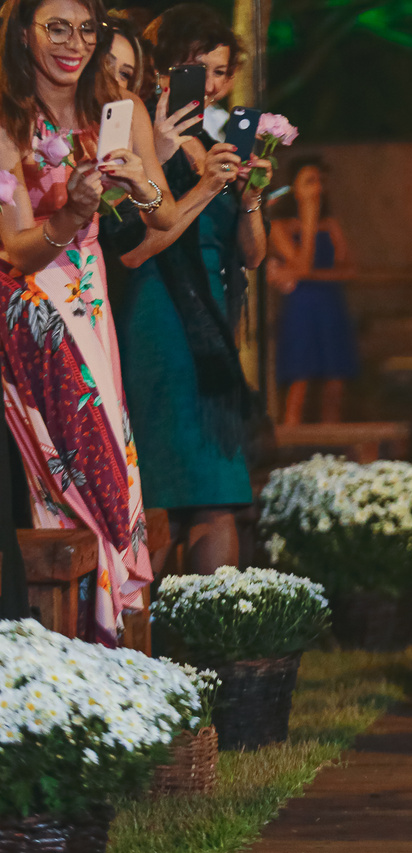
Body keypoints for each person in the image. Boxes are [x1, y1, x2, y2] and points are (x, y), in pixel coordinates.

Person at [0, 0, 181, 644]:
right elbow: (15, 250)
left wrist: (140, 183)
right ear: (24, 32)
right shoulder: (8, 117)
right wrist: (72, 214)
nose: (72, 43)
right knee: (62, 474)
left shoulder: (119, 109)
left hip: (92, 304)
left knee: (109, 465)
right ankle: (68, 644)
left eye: (84, 29)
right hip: (32, 314)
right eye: (56, 27)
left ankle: (112, 646)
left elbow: (162, 215)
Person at [103, 4, 269, 577]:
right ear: (163, 66)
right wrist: (182, 167)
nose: (212, 84)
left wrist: (248, 193)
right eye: (197, 68)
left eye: (221, 71)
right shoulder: (140, 131)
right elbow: (131, 247)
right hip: (158, 312)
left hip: (213, 320)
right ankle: (140, 622)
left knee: (218, 496)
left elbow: (253, 255)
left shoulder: (224, 138)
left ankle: (215, 623)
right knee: (161, 494)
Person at [271, 156, 357, 425]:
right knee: (300, 377)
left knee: (335, 381)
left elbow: (349, 270)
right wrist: (308, 220)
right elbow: (303, 264)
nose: (317, 187)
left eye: (320, 181)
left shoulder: (330, 225)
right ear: (295, 188)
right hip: (302, 305)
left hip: (331, 302)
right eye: (309, 181)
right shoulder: (280, 227)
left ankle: (332, 441)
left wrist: (309, 275)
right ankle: (292, 437)